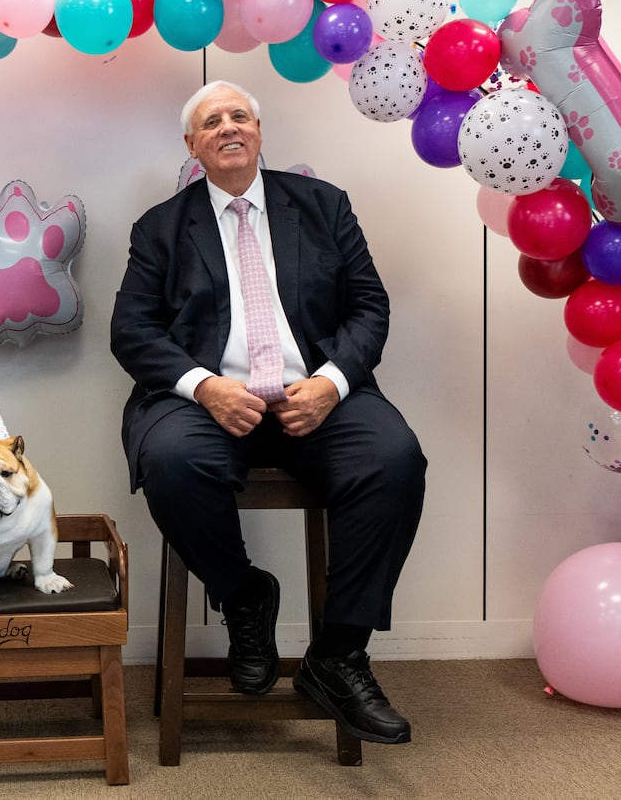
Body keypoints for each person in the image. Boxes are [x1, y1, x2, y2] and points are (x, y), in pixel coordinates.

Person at [109, 81, 427, 744]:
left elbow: (369, 307)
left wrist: (333, 383)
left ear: (258, 130)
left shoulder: (323, 205)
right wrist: (203, 386)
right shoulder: (161, 228)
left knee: (393, 458)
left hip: (315, 395)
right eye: (211, 121)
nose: (228, 127)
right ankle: (244, 594)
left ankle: (338, 654)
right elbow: (132, 332)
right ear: (192, 145)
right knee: (171, 460)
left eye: (239, 116)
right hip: (208, 402)